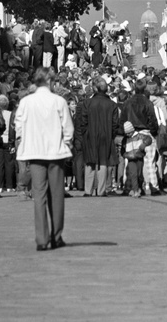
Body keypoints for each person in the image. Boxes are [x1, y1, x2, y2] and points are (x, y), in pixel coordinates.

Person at [14, 70, 74, 251]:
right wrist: (67, 143)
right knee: (56, 195)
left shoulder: (25, 102)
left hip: (34, 152)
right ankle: (56, 235)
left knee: (38, 195)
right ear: (49, 81)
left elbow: (18, 125)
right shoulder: (59, 101)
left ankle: (42, 238)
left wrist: (25, 139)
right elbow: (68, 128)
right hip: (55, 152)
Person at [76, 78, 120, 197]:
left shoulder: (87, 103)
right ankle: (101, 190)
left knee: (89, 162)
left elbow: (83, 121)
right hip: (106, 135)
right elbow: (115, 123)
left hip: (90, 135)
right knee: (103, 162)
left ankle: (88, 190)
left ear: (95, 88)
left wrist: (85, 134)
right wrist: (111, 133)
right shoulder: (112, 104)